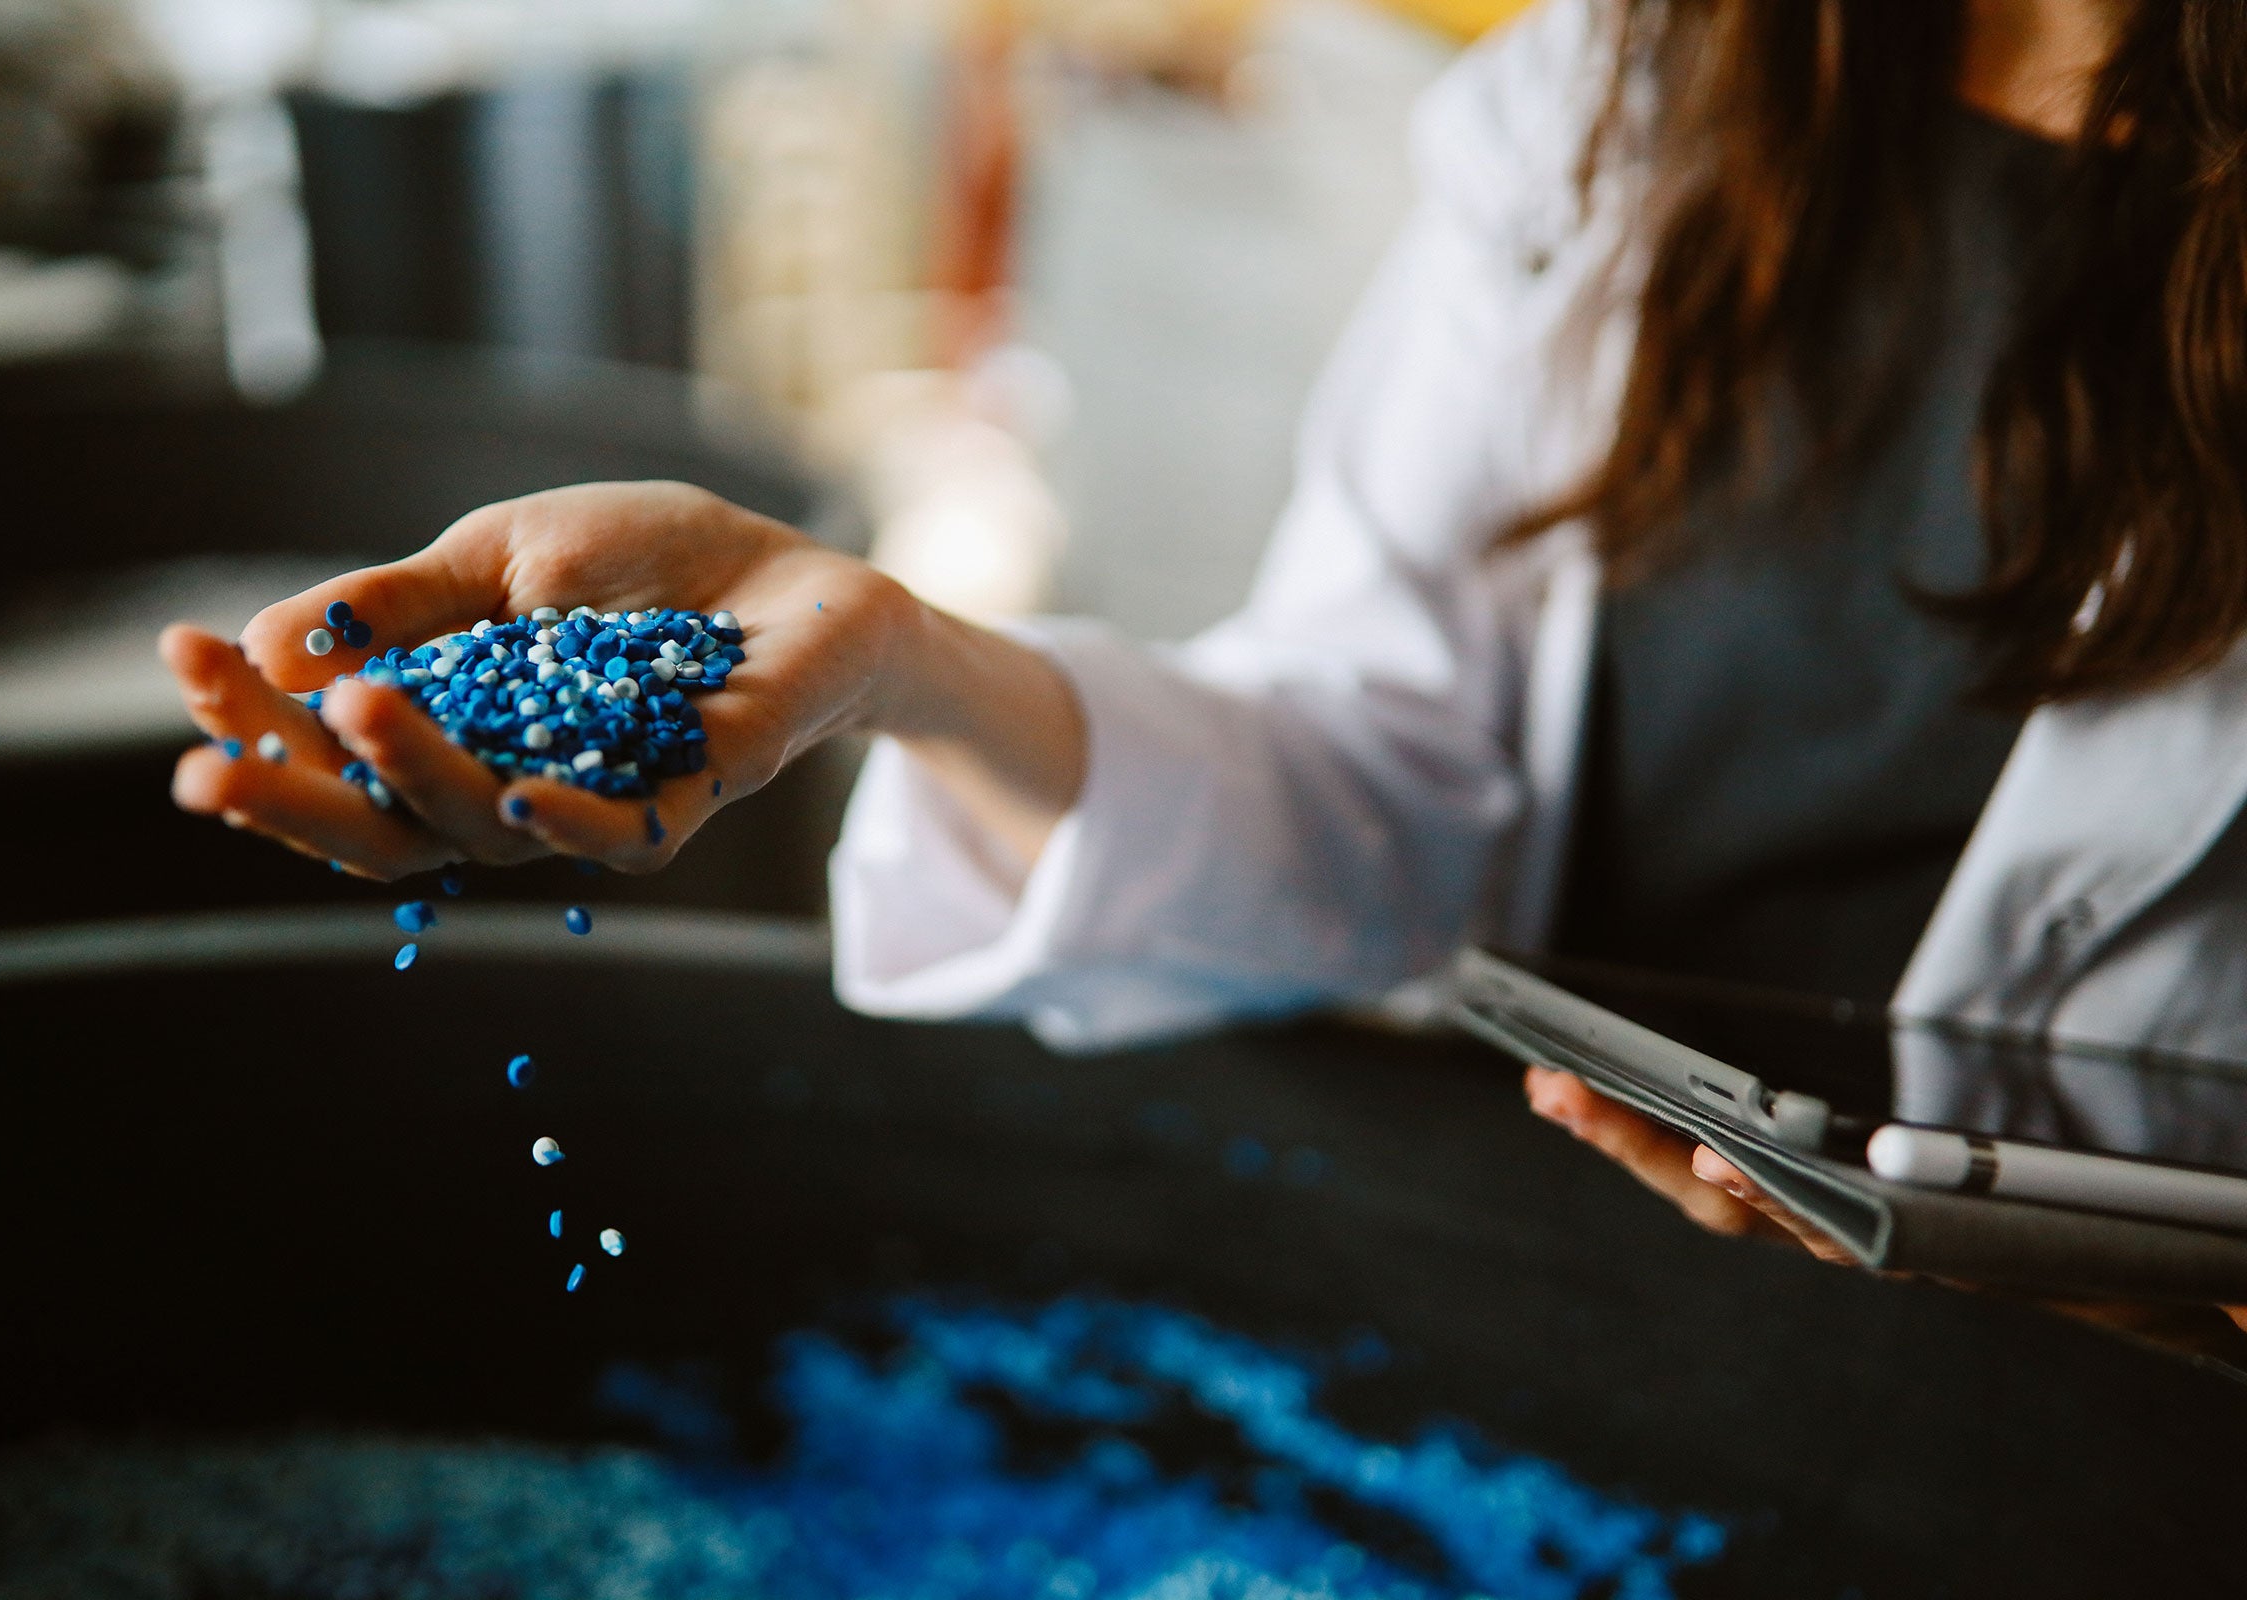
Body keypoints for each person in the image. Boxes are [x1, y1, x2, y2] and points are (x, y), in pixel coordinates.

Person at [163, 0, 2247, 1303]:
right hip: (1556, 1285)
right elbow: (1380, 781)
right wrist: (904, 659)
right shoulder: (1620, 86)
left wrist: (2123, 1256)